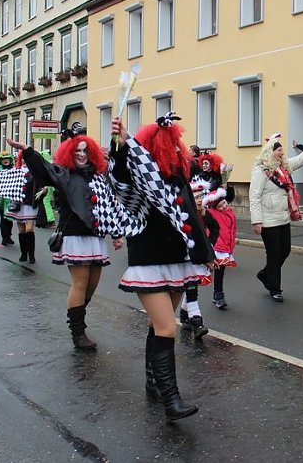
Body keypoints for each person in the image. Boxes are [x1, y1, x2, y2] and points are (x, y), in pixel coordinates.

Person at [110, 112, 214, 420]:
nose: (175, 147)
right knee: (168, 326)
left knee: (158, 325)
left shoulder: (177, 178)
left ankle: (152, 381)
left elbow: (192, 219)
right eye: (168, 143)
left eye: (175, 143)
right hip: (148, 260)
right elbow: (119, 176)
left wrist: (204, 252)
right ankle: (171, 400)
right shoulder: (140, 176)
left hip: (177, 260)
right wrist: (120, 142)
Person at [6, 131, 126, 352]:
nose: (81, 154)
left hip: (95, 237)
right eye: (77, 151)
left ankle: (77, 317)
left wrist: (116, 233)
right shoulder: (63, 174)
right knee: (80, 283)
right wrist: (27, 150)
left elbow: (109, 205)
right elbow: (43, 169)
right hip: (74, 236)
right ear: (70, 153)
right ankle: (78, 332)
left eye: (85, 151)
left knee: (92, 285)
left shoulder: (98, 176)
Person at [249, 131, 303, 302]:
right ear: (270, 152)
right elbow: (254, 196)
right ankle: (275, 288)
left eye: (282, 150)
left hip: (283, 217)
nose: (282, 153)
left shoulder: (283, 168)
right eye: (278, 150)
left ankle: (265, 274)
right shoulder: (261, 171)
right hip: (268, 220)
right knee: (274, 254)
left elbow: (301, 159)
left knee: (285, 250)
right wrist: (256, 220)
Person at [178, 176, 220, 341]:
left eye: (201, 197)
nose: (200, 200)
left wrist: (209, 246)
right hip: (187, 257)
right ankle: (197, 323)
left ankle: (183, 313)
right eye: (196, 197)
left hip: (199, 255)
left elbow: (215, 228)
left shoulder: (205, 214)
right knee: (192, 289)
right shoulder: (184, 214)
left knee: (193, 287)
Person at [0, 151, 38, 263]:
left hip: (30, 203)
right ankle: (23, 254)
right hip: (18, 204)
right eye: (22, 158)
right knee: (21, 229)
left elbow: (43, 181)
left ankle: (31, 255)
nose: (24, 161)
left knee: (29, 229)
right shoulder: (14, 171)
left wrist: (43, 190)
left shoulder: (35, 171)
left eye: (26, 159)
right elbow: (1, 176)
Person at [204, 184, 237, 309]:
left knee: (220, 271)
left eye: (224, 203)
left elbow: (232, 230)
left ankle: (217, 294)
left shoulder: (230, 213)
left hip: (225, 247)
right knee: (217, 271)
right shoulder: (211, 214)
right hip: (216, 247)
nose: (224, 206)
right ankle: (218, 295)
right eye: (220, 205)